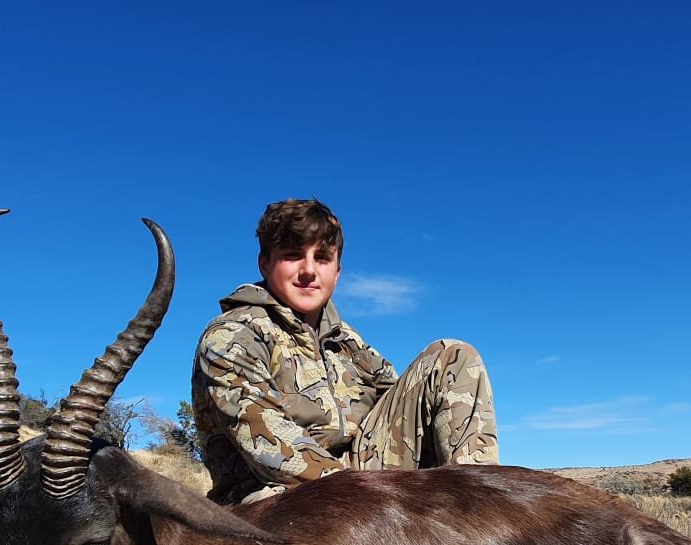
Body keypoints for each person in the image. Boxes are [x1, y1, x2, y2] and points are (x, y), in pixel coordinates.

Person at [191, 198, 499, 505]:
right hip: (277, 495)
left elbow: (402, 406)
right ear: (264, 264)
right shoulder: (231, 337)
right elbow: (272, 451)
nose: (308, 270)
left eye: (322, 258)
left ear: (337, 271)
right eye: (292, 255)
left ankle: (481, 507)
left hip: (364, 481)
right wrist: (392, 499)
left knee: (453, 356)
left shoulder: (347, 341)